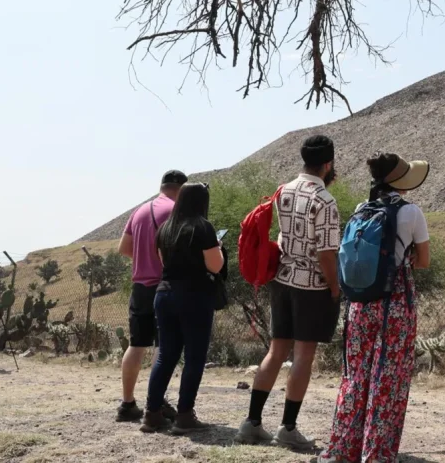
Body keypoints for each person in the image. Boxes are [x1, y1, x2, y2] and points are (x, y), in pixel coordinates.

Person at [319, 153, 432, 463]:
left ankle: (342, 450)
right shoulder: (411, 212)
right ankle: (377, 454)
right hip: (394, 305)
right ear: (399, 181)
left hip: (359, 304)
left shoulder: (361, 209)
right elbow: (423, 261)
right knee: (388, 377)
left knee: (355, 376)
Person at [237, 135, 342, 451]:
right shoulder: (324, 200)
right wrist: (335, 287)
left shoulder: (283, 190)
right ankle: (288, 427)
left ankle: (252, 422)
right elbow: (326, 254)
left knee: (276, 350)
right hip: (311, 285)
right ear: (328, 163)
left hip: (281, 280)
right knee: (304, 355)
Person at [140, 182, 224, 434]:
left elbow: (163, 261)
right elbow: (215, 266)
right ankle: (185, 415)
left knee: (166, 354)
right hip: (195, 295)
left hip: (164, 294)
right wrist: (218, 247)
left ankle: (151, 413)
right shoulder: (203, 226)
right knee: (194, 357)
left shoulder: (166, 228)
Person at [116, 169, 187, 422]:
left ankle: (127, 404)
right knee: (164, 347)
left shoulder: (140, 211)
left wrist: (144, 260)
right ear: (181, 189)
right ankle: (156, 402)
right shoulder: (175, 211)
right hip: (164, 287)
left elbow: (123, 248)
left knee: (136, 345)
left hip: (140, 287)